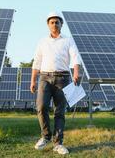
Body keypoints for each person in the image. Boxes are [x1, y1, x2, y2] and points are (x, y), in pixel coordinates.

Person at [30, 11, 81, 155]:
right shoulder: (42, 41)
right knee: (41, 106)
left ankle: (58, 143)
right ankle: (45, 136)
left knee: (60, 112)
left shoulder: (68, 40)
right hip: (44, 78)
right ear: (48, 25)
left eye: (57, 22)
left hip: (63, 79)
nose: (54, 24)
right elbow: (37, 61)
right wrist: (33, 80)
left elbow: (75, 57)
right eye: (51, 22)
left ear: (61, 24)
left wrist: (76, 72)